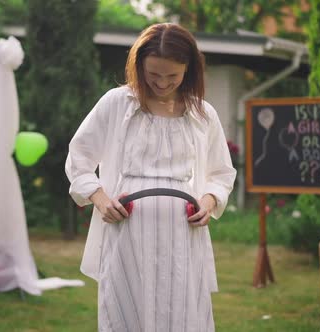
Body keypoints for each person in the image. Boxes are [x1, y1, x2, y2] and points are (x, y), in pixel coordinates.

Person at [65, 23, 236, 332]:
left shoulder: (203, 114)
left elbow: (222, 172)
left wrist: (208, 202)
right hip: (127, 229)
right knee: (126, 311)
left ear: (189, 69)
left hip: (182, 233)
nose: (161, 83)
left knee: (183, 312)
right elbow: (79, 157)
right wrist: (101, 200)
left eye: (172, 75)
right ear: (138, 65)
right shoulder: (118, 103)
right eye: (153, 74)